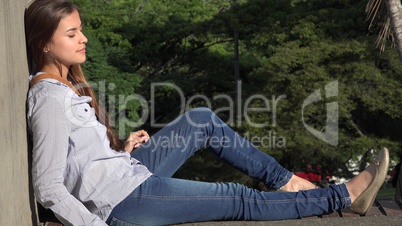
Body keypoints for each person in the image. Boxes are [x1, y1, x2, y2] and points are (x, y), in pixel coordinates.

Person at [25, 0, 390, 225]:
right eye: (72, 34)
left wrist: (120, 150)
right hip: (122, 203)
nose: (83, 38)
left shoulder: (66, 86)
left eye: (81, 30)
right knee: (237, 198)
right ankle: (341, 197)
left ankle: (286, 180)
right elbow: (48, 186)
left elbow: (80, 160)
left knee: (200, 119)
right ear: (45, 43)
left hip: (125, 173)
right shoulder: (49, 99)